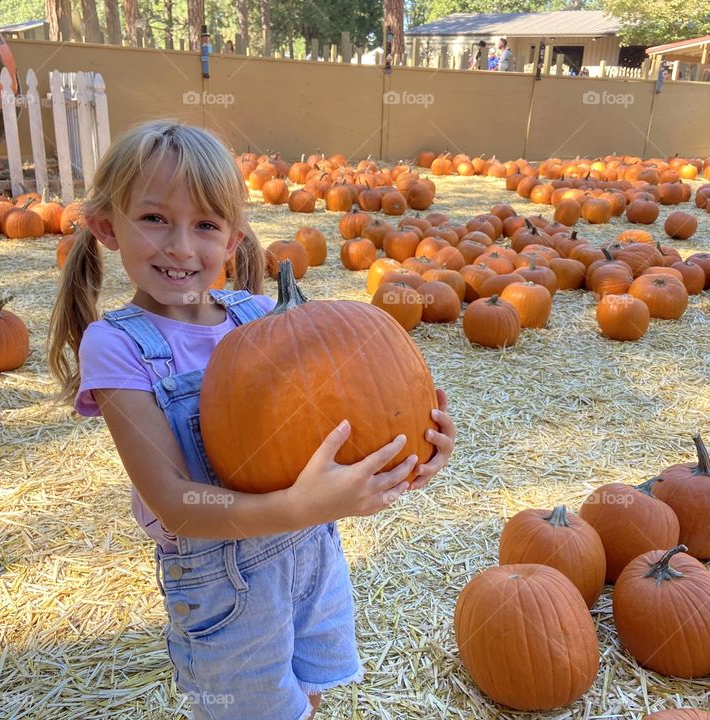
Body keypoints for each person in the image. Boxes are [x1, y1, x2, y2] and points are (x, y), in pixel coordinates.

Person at [47, 120, 456, 720]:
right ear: (108, 227)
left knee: (307, 693)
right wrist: (300, 507)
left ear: (234, 240)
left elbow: (342, 424)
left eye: (205, 225)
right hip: (223, 583)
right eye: (155, 219)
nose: (181, 246)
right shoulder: (116, 347)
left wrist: (411, 456)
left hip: (313, 552)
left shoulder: (261, 315)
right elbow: (176, 503)